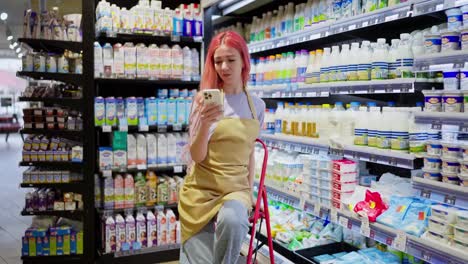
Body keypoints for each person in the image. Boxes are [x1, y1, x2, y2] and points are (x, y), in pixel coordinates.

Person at [178, 31, 265, 264]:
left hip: (235, 189)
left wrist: (249, 192)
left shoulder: (257, 106)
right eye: (218, 61)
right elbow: (197, 155)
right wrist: (205, 123)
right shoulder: (204, 102)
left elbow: (249, 154)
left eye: (231, 60)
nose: (224, 67)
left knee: (234, 220)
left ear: (244, 61)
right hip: (201, 188)